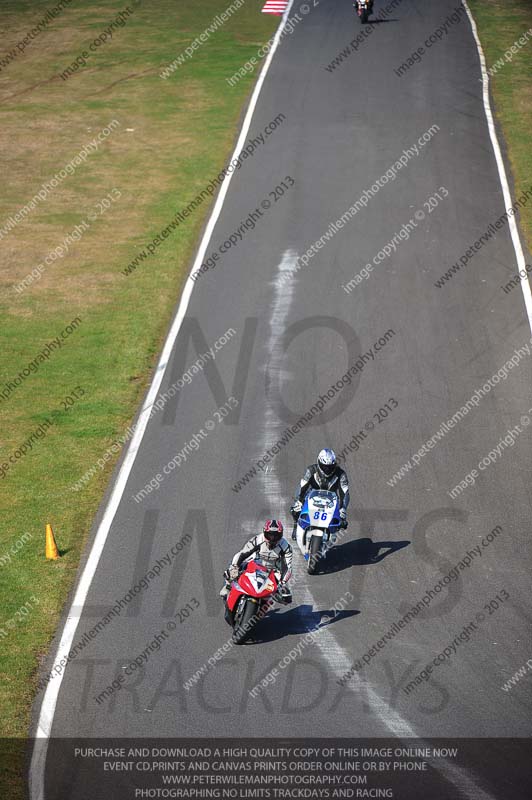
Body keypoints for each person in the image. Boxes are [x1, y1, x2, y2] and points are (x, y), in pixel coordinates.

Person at [291, 448, 349, 553]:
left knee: (340, 522)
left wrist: (343, 509)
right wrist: (298, 501)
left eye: (330, 467)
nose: (327, 469)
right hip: (312, 497)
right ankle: (296, 524)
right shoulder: (310, 470)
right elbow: (302, 487)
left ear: (334, 464)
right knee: (295, 510)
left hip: (331, 501)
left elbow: (344, 493)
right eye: (324, 467)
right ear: (319, 463)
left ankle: (329, 535)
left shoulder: (341, 474)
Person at [219, 519, 293, 601]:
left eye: (276, 536)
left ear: (281, 535)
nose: (272, 539)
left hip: (272, 571)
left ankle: (265, 602)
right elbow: (242, 553)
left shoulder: (286, 547)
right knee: (234, 568)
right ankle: (228, 586)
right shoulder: (257, 540)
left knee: (282, 594)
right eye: (270, 535)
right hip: (254, 565)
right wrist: (234, 567)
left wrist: (282, 583)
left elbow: (288, 567)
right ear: (264, 532)